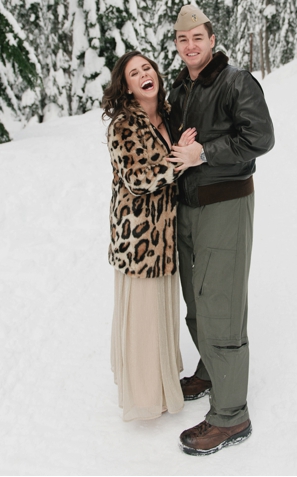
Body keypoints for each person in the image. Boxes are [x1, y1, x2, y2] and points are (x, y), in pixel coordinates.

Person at [166, 4, 275, 456]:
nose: (190, 46)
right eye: (182, 40)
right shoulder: (181, 86)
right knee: (195, 295)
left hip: (226, 205)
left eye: (198, 38)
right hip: (188, 207)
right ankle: (211, 370)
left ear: (212, 39)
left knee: (221, 304)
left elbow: (260, 138)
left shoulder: (236, 82)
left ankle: (231, 416)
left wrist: (204, 154)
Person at [102, 50, 196, 421]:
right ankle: (143, 397)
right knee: (142, 320)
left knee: (161, 315)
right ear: (126, 87)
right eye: (134, 73)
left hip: (166, 237)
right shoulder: (123, 125)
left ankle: (161, 383)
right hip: (137, 238)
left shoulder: (169, 116)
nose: (144, 74)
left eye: (147, 68)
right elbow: (139, 180)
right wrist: (180, 158)